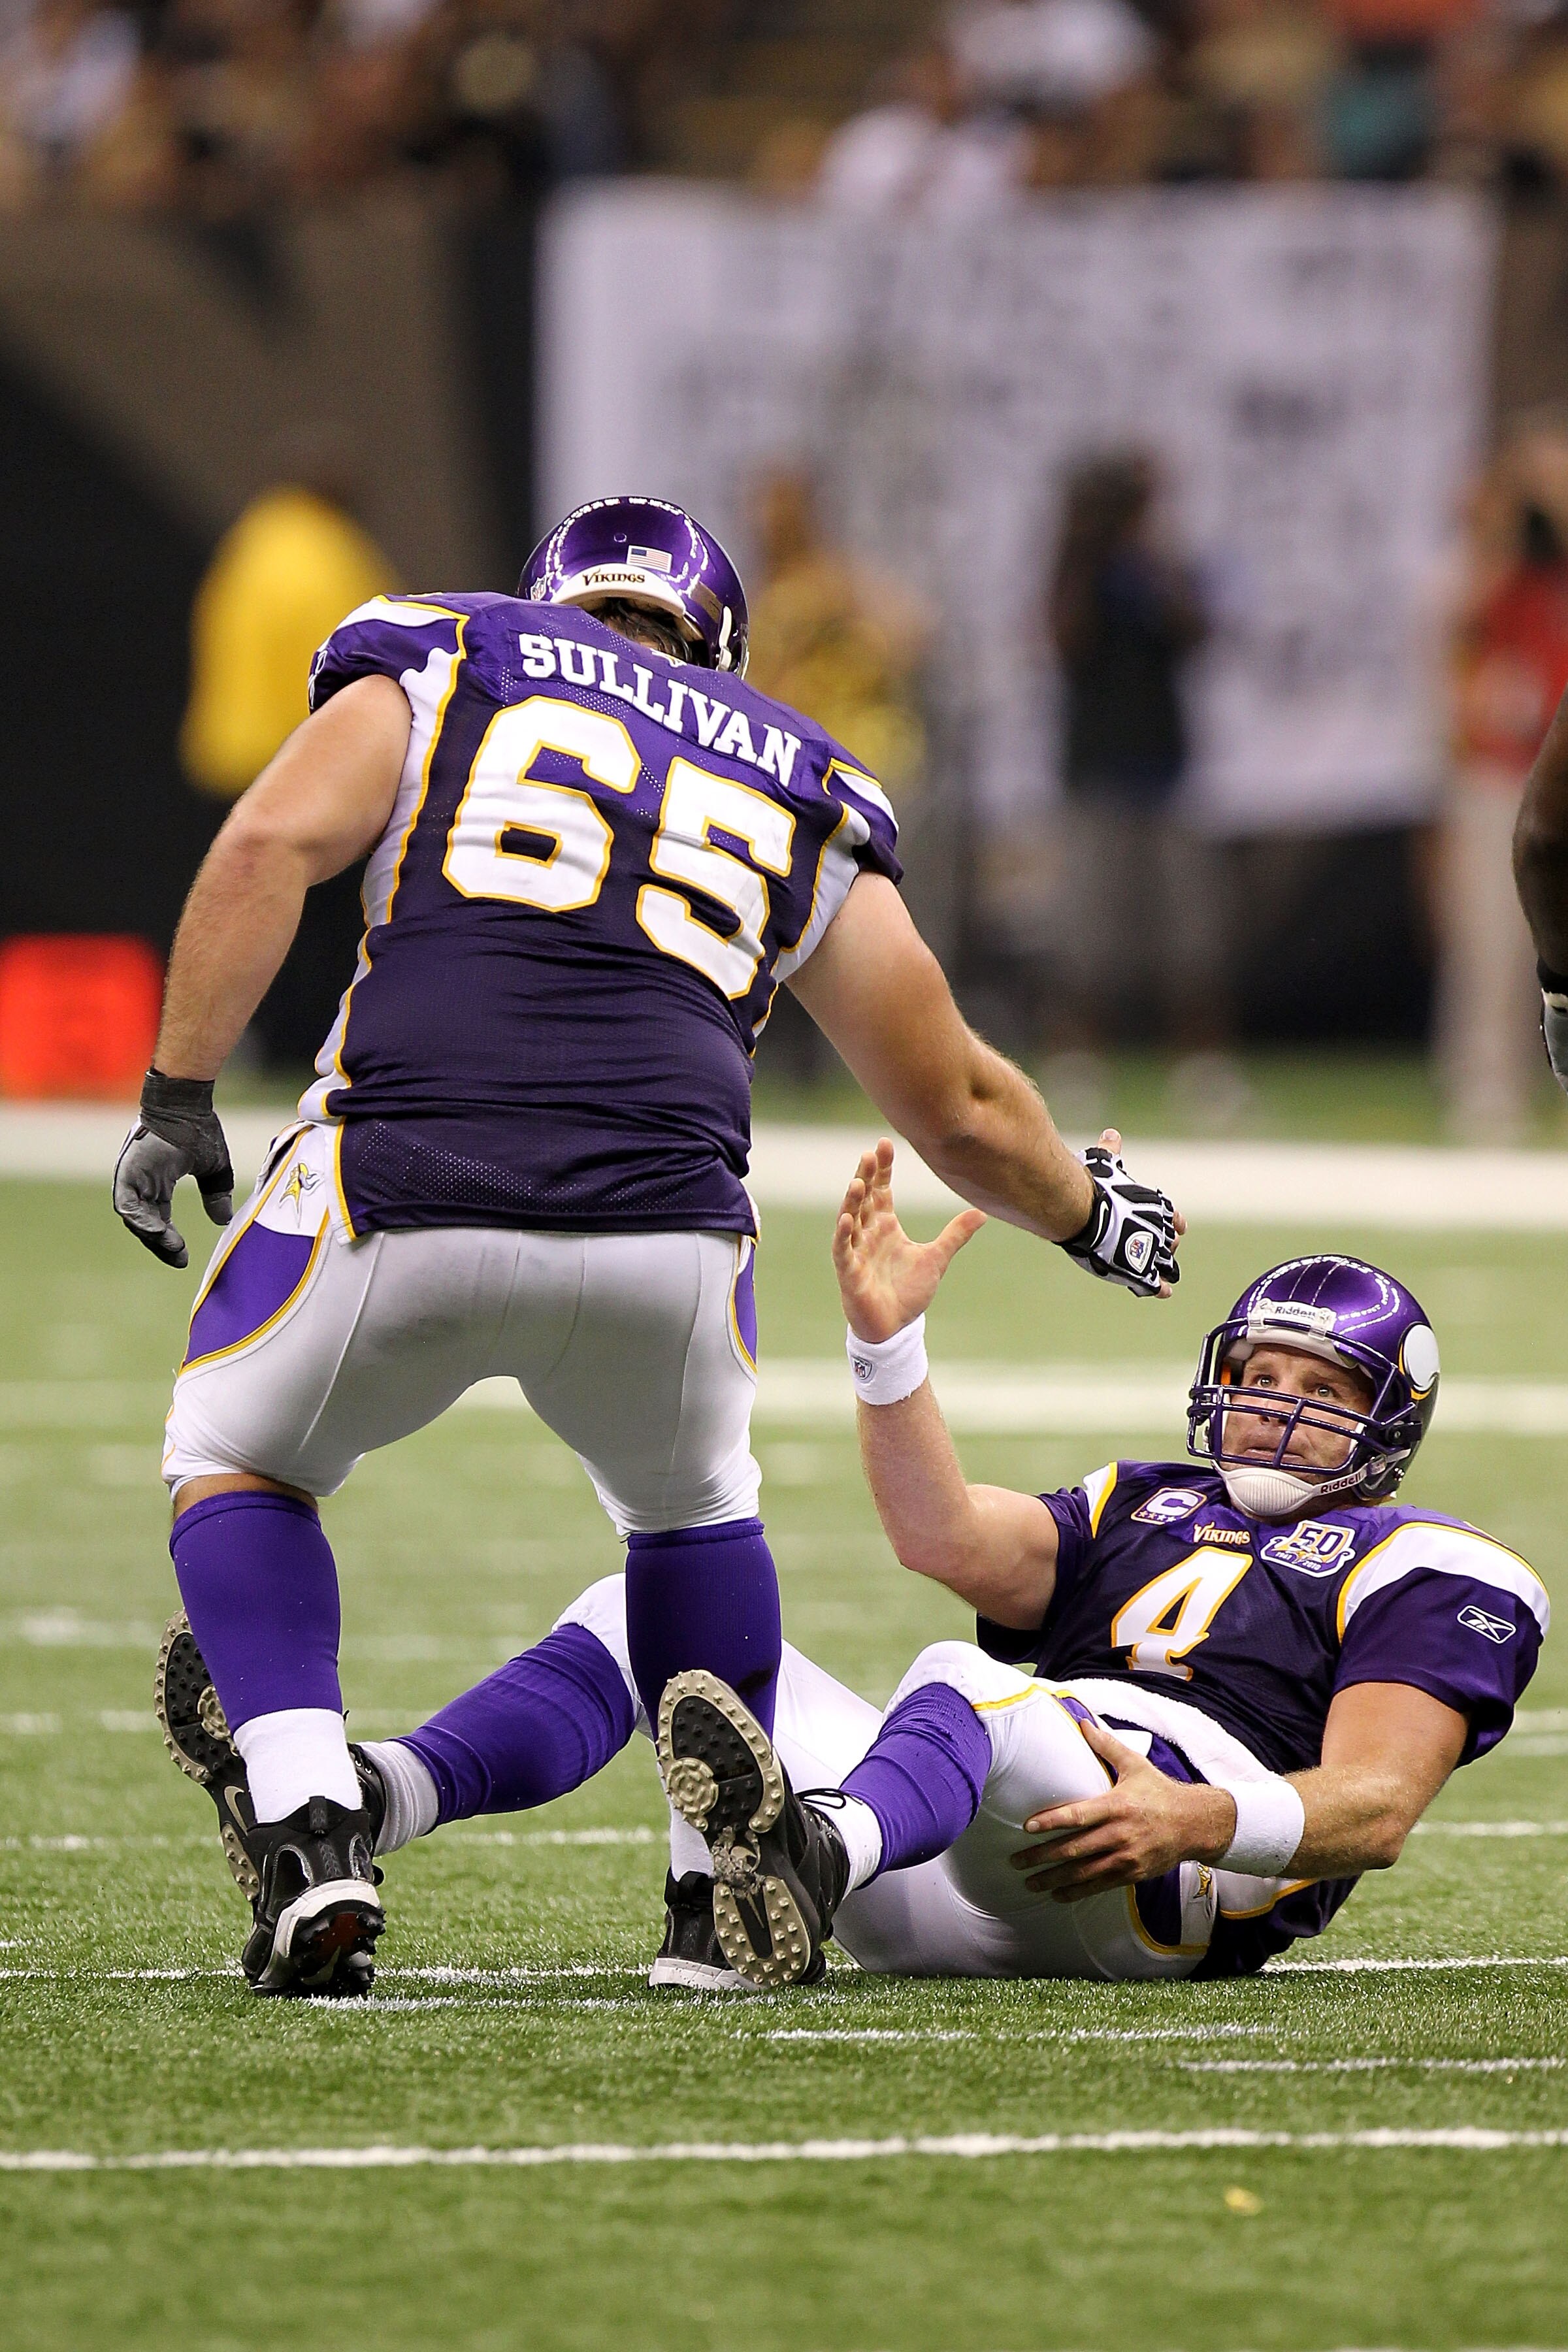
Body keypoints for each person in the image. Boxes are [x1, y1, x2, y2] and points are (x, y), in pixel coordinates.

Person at [118, 494, 1181, 1997]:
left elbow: (272, 839)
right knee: (689, 1517)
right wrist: (1084, 1211)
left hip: (407, 1173)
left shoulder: (448, 647)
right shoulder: (795, 769)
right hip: (667, 1235)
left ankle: (304, 1815)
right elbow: (947, 1094)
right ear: (719, 647)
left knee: (232, 1443)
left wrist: (176, 1095)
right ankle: (708, 1910)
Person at [159, 1145, 1544, 1991]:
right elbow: (942, 1540)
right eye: (1260, 1375)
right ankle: (359, 1804)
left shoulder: (1429, 1561)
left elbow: (1373, 1804)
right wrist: (888, 1347)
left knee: (961, 1680)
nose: (1277, 1408)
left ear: (1394, 1421)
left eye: (1324, 1388)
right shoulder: (1150, 1497)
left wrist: (1201, 1824)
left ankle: (798, 1866)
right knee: (645, 1622)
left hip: (1168, 1876)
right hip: (970, 1846)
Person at [1046, 451, 1235, 1113]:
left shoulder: (1161, 565)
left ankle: (1201, 1062)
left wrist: (1150, 562)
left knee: (1189, 928)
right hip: (1097, 771)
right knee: (1089, 926)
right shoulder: (1077, 566)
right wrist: (1085, 549)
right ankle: (1079, 1056)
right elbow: (1063, 639)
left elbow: (1197, 629)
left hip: (1164, 770)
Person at [1443, 421, 1568, 1138]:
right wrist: (1506, 518)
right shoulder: (1496, 561)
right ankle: (1488, 1084)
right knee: (1490, 939)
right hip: (1499, 771)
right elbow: (1461, 619)